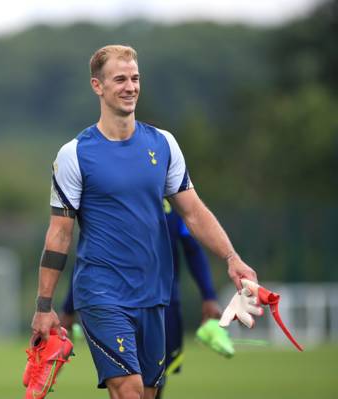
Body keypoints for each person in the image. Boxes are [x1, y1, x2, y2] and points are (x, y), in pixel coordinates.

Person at [30, 45, 257, 399]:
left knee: (148, 393)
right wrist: (44, 307)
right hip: (101, 293)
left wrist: (232, 258)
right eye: (119, 79)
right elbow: (59, 233)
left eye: (135, 78)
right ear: (97, 86)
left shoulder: (164, 144)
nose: (130, 86)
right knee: (130, 391)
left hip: (155, 294)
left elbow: (193, 212)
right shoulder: (74, 153)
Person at [59, 199, 223, 399]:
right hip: (114, 302)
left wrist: (209, 296)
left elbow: (193, 249)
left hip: (163, 304)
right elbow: (89, 259)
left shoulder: (177, 201)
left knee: (151, 386)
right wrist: (68, 309)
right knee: (126, 385)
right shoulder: (113, 200)